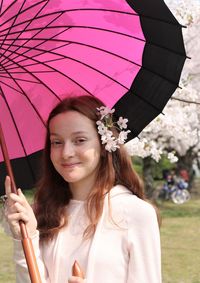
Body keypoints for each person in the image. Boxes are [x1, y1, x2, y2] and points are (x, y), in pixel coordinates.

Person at [2, 95, 162, 283]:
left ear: (104, 146)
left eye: (80, 140)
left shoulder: (137, 213)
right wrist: (25, 239)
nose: (66, 153)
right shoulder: (40, 213)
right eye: (56, 142)